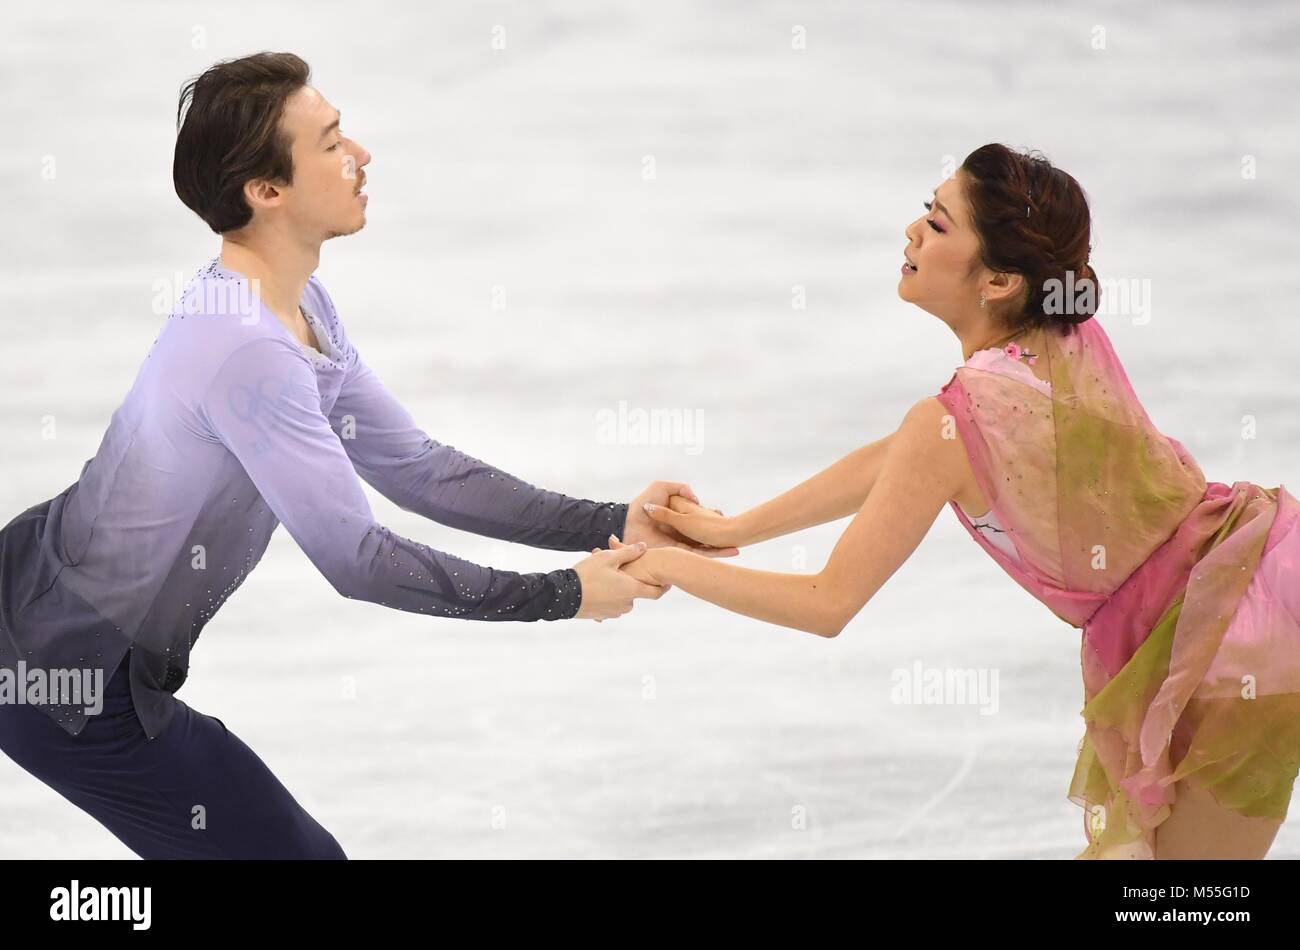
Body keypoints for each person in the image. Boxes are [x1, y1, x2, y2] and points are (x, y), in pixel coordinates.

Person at [0, 51, 735, 859]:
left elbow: (415, 466)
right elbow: (355, 559)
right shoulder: (248, 352)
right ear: (266, 190)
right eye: (331, 141)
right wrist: (561, 595)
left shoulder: (295, 307)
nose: (362, 156)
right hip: (62, 677)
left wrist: (606, 521)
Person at [613, 143, 1300, 860]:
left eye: (939, 226)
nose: (912, 233)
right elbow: (900, 460)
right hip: (1248, 584)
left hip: (1227, 639)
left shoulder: (952, 419)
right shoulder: (1059, 332)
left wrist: (671, 566)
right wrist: (741, 526)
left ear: (1000, 279)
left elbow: (827, 602)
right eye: (924, 213)